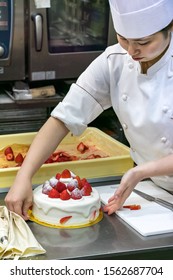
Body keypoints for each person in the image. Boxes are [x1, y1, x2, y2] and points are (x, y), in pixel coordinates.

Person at [5, 0, 173, 220]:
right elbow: (63, 118)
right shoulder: (115, 61)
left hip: (146, 178)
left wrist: (141, 171)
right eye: (123, 38)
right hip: (156, 188)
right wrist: (23, 176)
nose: (132, 51)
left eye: (143, 41)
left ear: (170, 27)